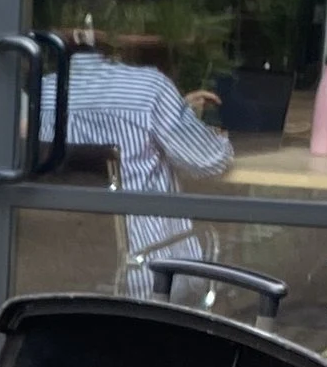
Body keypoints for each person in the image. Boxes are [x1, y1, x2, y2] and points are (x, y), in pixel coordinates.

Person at [40, 22, 234, 295]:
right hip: (145, 275)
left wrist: (178, 110)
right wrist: (212, 133)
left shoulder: (41, 93)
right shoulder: (151, 88)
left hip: (63, 274)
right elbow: (209, 160)